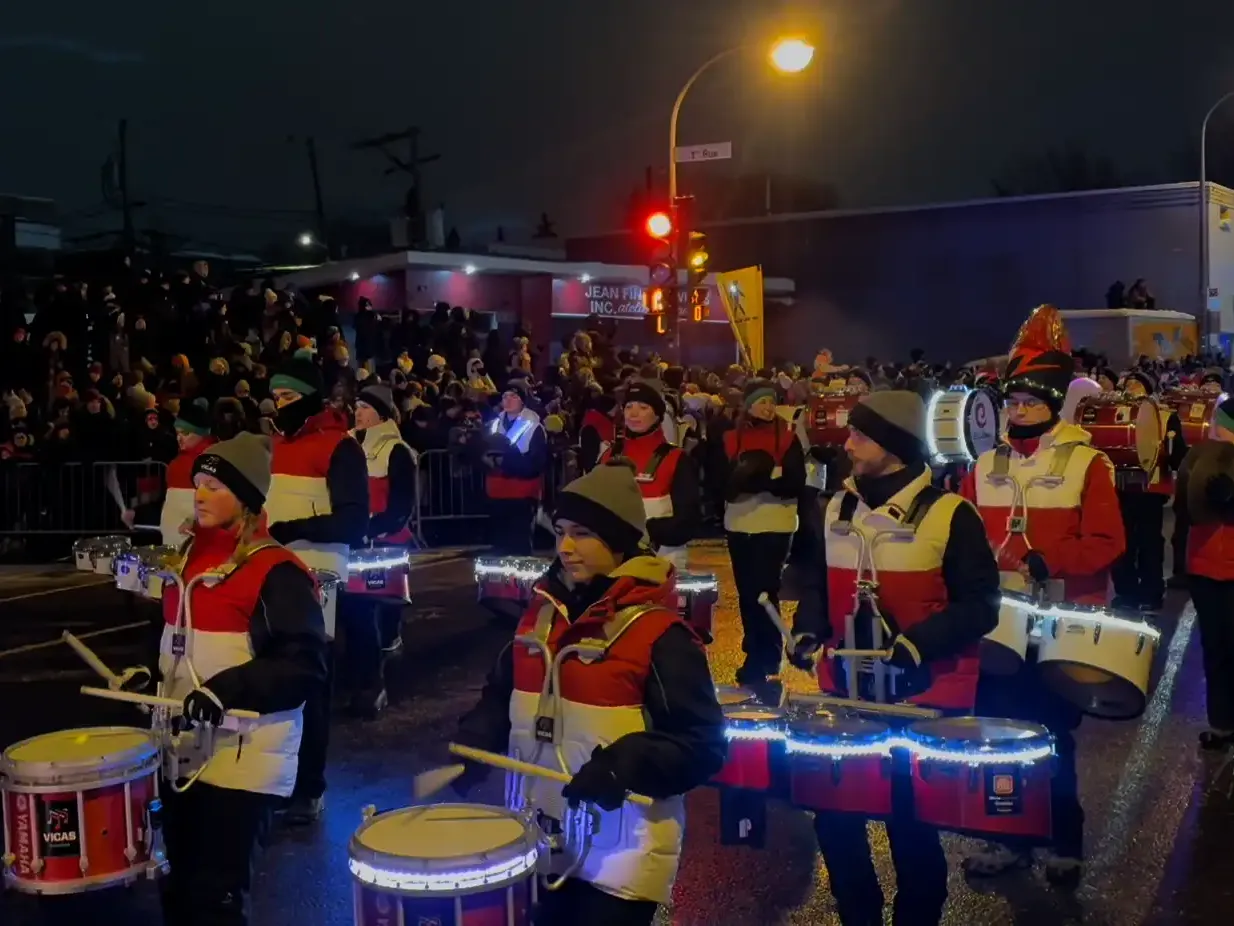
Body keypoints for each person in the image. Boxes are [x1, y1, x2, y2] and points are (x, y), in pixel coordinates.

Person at [453, 462, 726, 926]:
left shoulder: (659, 633)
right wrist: (480, 734)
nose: (565, 547)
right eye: (560, 531)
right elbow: (504, 694)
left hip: (623, 849)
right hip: (541, 833)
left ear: (618, 540)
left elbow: (703, 744)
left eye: (582, 533)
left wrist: (625, 765)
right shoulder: (539, 615)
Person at [789, 391, 1000, 926]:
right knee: (835, 819)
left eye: (861, 434)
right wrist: (807, 629)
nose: (848, 443)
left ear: (896, 448)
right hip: (848, 691)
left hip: (922, 696)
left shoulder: (953, 514)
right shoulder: (834, 507)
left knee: (911, 826)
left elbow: (982, 605)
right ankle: (858, 914)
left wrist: (919, 643)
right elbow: (815, 581)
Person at [959, 305, 1124, 886]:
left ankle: (1062, 841)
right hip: (1000, 625)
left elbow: (1108, 541)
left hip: (1061, 624)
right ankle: (1006, 838)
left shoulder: (1087, 463)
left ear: (1054, 406)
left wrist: (1048, 560)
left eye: (1029, 403)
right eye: (1012, 403)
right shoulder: (982, 466)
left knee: (1054, 734)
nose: (1018, 412)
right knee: (1002, 732)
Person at [154, 432, 329, 925]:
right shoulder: (186, 561)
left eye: (215, 485)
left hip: (243, 757)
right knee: (179, 893)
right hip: (183, 752)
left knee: (216, 899)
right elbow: (176, 644)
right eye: (198, 484)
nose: (201, 494)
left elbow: (304, 664)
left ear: (247, 498)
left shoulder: (277, 571)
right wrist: (147, 678)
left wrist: (225, 691)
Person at [264, 355, 369, 822]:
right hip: (272, 573)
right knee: (271, 682)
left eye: (289, 396)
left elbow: (353, 519)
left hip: (316, 578)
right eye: (277, 397)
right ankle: (275, 782)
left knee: (308, 685)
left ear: (310, 398)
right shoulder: (274, 445)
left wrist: (290, 529)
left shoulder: (341, 447)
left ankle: (308, 789)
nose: (280, 404)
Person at [723, 379, 806, 689]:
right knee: (746, 593)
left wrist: (757, 482)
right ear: (748, 405)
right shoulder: (731, 438)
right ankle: (753, 651)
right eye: (761, 402)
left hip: (775, 523)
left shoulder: (787, 438)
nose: (768, 407)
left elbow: (794, 482)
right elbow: (723, 482)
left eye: (772, 401)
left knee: (764, 590)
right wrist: (759, 480)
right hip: (739, 524)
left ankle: (767, 654)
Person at [343, 384, 417, 718]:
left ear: (382, 413)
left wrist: (374, 527)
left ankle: (379, 680)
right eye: (355, 406)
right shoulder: (346, 445)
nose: (357, 412)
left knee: (378, 612)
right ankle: (369, 675)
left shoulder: (396, 450)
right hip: (355, 543)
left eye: (365, 407)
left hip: (384, 544)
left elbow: (402, 503)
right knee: (359, 614)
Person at [1175, 396, 1234, 750]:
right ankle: (1222, 722)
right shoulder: (1201, 456)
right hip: (1206, 565)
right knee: (1216, 646)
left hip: (1212, 565)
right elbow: (1187, 509)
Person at [598, 378, 700, 571]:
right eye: (629, 407)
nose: (634, 414)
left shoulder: (677, 458)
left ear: (658, 415)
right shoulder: (609, 455)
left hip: (663, 558)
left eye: (643, 407)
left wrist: (650, 532)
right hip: (614, 558)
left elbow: (688, 520)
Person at [1111, 370, 1182, 611]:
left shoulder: (1165, 414)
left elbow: (1177, 454)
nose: (1131, 387)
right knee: (1123, 543)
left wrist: (1165, 452)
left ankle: (1151, 591)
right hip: (1121, 487)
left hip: (1150, 488)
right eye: (1128, 383)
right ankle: (1126, 592)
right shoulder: (1115, 413)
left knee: (1150, 542)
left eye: (1136, 383)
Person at [484, 383, 547, 554]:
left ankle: (520, 580)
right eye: (505, 396)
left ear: (522, 401)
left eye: (514, 396)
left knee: (519, 541)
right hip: (497, 491)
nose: (508, 400)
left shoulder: (534, 427)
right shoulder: (493, 425)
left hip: (522, 492)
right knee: (500, 542)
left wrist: (506, 463)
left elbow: (537, 462)